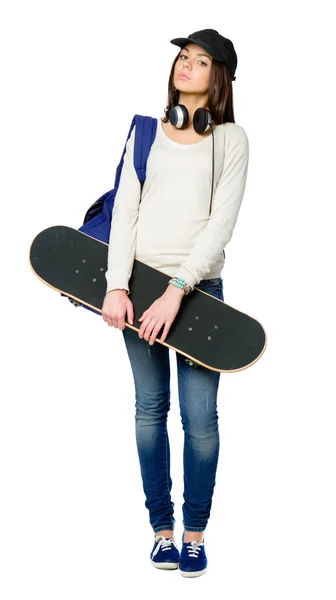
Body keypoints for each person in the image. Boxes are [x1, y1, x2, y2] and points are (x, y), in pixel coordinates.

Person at [101, 29, 249, 577]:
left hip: (198, 296)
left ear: (219, 77)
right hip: (138, 289)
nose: (186, 66)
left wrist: (177, 290)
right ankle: (161, 530)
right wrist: (117, 286)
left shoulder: (232, 142)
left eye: (200, 60)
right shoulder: (144, 134)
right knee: (148, 411)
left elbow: (221, 226)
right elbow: (124, 214)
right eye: (182, 57)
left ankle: (193, 533)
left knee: (200, 419)